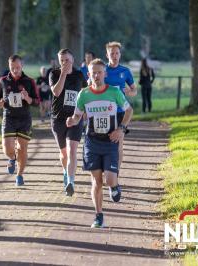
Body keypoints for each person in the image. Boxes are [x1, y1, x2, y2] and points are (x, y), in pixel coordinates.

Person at [66, 58, 132, 228]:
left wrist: (121, 129)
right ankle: (98, 215)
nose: (96, 75)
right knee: (96, 181)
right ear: (88, 74)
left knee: (110, 179)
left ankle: (115, 186)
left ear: (105, 73)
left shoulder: (114, 92)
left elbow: (129, 110)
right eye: (93, 72)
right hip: (92, 142)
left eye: (99, 72)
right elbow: (77, 115)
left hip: (110, 141)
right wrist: (72, 121)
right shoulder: (84, 94)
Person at [0, 55, 39, 186]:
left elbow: (37, 102)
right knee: (7, 149)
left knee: (22, 148)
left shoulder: (29, 81)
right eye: (13, 68)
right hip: (8, 117)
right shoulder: (3, 81)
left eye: (18, 67)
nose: (15, 70)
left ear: (22, 66)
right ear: (9, 67)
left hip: (24, 118)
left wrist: (28, 98)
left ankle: (19, 175)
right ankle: (12, 158)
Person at [49, 48, 87, 196]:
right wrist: (63, 74)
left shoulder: (79, 75)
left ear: (72, 60)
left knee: (72, 151)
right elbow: (56, 92)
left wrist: (84, 113)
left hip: (75, 117)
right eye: (62, 60)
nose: (64, 63)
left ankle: (71, 181)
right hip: (58, 118)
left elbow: (85, 93)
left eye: (67, 60)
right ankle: (65, 171)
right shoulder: (54, 74)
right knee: (64, 153)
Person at [105, 41, 135, 175]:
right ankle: (106, 170)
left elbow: (134, 90)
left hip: (120, 112)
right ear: (107, 55)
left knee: (118, 144)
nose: (115, 56)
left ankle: (115, 172)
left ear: (120, 55)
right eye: (112, 53)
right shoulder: (102, 70)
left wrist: (129, 92)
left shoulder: (125, 71)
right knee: (104, 143)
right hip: (104, 112)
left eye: (117, 53)